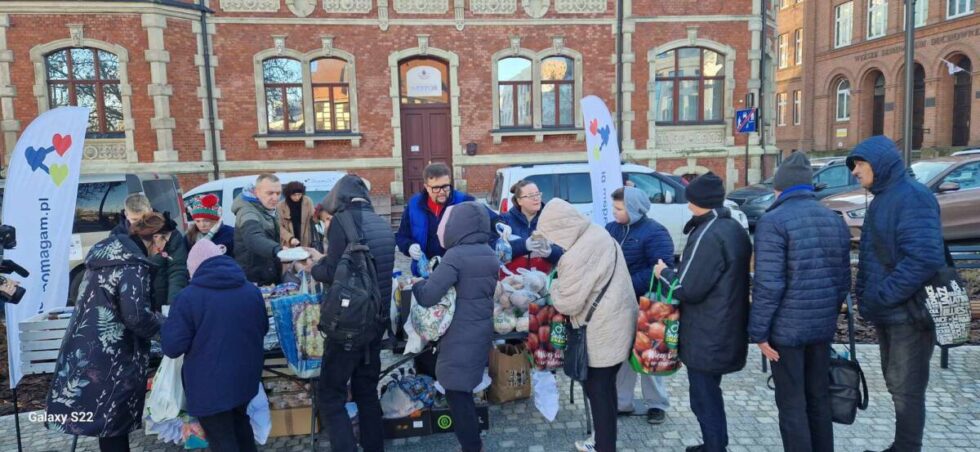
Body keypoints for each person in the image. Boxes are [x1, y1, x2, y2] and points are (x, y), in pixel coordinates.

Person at [847, 136, 945, 452]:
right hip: (892, 312)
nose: (855, 172)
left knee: (907, 388)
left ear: (880, 164)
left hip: (908, 314)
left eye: (859, 164)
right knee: (898, 384)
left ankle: (907, 447)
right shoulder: (886, 197)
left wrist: (882, 296)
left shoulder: (912, 197)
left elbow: (924, 258)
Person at [749, 153, 852, 452]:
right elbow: (843, 281)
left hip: (786, 332)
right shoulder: (833, 219)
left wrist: (759, 333)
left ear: (779, 188)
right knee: (818, 398)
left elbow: (769, 284)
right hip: (820, 327)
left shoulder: (772, 221)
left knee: (792, 404)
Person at [46, 218, 165, 452]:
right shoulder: (132, 265)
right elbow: (136, 315)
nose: (163, 248)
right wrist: (166, 330)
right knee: (113, 422)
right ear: (154, 237)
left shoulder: (102, 259)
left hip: (87, 347)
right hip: (114, 355)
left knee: (107, 422)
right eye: (164, 240)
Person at [653, 172, 751, 452]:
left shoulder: (710, 233)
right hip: (726, 323)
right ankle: (714, 443)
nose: (687, 205)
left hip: (708, 330)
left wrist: (664, 273)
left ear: (700, 202)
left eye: (691, 200)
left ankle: (715, 447)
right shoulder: (732, 227)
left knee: (703, 396)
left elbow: (688, 288)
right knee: (709, 392)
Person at [536, 198, 637, 452]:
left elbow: (567, 303)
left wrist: (553, 284)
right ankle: (604, 440)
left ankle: (604, 446)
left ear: (560, 228)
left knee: (598, 391)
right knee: (606, 389)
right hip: (619, 322)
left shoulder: (578, 254)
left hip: (601, 332)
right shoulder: (598, 233)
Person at [311, 174, 395, 452]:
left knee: (331, 394)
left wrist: (312, 266)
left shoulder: (343, 223)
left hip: (349, 325)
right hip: (376, 320)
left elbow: (335, 272)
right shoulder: (381, 223)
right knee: (366, 392)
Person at [162, 239, 267, 452]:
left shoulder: (188, 298)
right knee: (241, 427)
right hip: (245, 380)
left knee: (222, 439)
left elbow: (172, 347)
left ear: (194, 269)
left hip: (209, 386)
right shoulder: (251, 291)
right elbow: (262, 328)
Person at [412, 201, 499, 452]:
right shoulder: (488, 252)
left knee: (456, 392)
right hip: (479, 329)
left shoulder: (456, 256)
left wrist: (417, 284)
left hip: (460, 334)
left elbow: (428, 295)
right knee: (463, 389)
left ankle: (472, 446)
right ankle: (473, 443)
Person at [605, 187, 674, 425]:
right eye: (614, 207)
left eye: (619, 208)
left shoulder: (655, 232)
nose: (614, 212)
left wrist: (625, 284)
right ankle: (623, 401)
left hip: (647, 302)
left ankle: (656, 404)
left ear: (634, 209)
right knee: (622, 353)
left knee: (650, 352)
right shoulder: (612, 228)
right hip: (619, 303)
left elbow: (659, 268)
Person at [396, 162, 476, 275]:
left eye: (445, 186)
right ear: (426, 187)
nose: (442, 192)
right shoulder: (414, 204)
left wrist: (498, 222)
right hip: (424, 272)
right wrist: (409, 246)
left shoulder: (464, 201)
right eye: (436, 188)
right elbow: (401, 236)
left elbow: (489, 217)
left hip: (457, 272)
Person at [495, 180, 563, 274]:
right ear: (519, 201)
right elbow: (497, 253)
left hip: (543, 282)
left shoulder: (550, 218)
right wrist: (524, 246)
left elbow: (563, 253)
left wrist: (550, 252)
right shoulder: (505, 220)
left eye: (537, 194)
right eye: (531, 195)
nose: (536, 198)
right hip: (512, 282)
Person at [234, 175, 284, 285]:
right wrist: (278, 250)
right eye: (270, 193)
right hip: (253, 279)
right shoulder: (247, 211)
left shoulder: (268, 209)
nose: (275, 198)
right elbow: (253, 238)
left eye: (278, 193)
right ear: (256, 192)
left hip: (269, 274)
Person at [143, 212, 189, 311]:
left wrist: (172, 304)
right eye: (161, 238)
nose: (165, 242)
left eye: (166, 238)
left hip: (163, 299)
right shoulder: (134, 242)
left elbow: (177, 270)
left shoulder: (172, 235)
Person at [278, 181, 315, 248]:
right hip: (289, 240)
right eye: (294, 195)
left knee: (305, 256)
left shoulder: (308, 201)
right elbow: (279, 226)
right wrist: (290, 238)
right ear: (288, 194)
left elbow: (313, 218)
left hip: (306, 237)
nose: (297, 197)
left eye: (299, 194)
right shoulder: (281, 206)